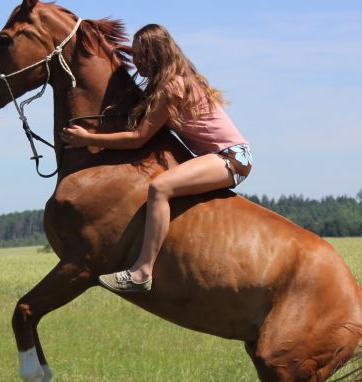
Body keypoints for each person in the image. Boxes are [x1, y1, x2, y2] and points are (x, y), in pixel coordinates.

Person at [60, 24, 252, 293]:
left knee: (160, 188)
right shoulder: (176, 78)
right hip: (224, 156)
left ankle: (142, 271)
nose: (136, 63)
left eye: (141, 56)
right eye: (134, 56)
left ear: (155, 56)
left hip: (231, 158)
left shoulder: (172, 88)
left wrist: (88, 139)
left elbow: (139, 137)